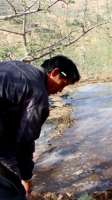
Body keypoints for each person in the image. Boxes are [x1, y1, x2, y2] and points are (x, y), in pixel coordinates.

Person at [0, 55, 80, 200]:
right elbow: (25, 141)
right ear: (55, 73)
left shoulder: (15, 66)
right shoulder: (38, 94)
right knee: (14, 191)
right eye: (64, 83)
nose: (61, 90)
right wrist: (25, 177)